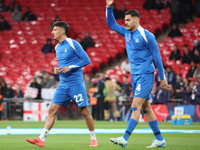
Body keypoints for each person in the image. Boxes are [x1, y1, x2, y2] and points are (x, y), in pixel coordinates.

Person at [106, 0, 170, 148]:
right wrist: (109, 7)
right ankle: (159, 139)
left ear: (136, 20)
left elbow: (158, 58)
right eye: (125, 20)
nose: (125, 22)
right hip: (135, 76)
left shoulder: (147, 36)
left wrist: (162, 78)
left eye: (128, 20)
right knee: (146, 107)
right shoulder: (126, 32)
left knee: (135, 105)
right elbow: (111, 24)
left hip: (146, 74)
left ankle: (125, 138)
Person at [26, 21, 98, 147]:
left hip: (75, 83)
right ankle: (41, 139)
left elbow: (86, 60)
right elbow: (63, 64)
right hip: (63, 84)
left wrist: (70, 67)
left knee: (85, 111)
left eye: (54, 30)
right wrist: (57, 69)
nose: (52, 32)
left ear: (62, 31)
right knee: (52, 110)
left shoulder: (73, 43)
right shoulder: (57, 47)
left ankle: (93, 139)